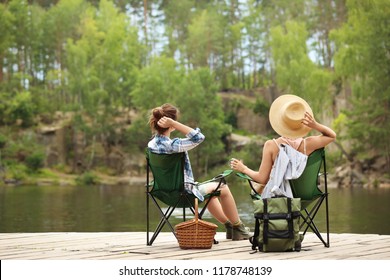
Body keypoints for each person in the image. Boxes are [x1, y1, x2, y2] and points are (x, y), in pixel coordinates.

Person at [148, 103, 250, 240]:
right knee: (223, 188)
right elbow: (199, 137)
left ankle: (229, 226)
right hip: (184, 194)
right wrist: (175, 123)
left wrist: (172, 123)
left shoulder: (151, 145)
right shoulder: (174, 145)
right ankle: (238, 227)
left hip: (163, 193)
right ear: (171, 124)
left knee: (212, 193)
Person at [230, 94, 336, 196]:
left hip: (279, 197)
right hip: (304, 195)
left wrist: (243, 168)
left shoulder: (271, 146)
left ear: (280, 122)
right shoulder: (308, 144)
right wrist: (315, 125)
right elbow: (331, 136)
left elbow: (262, 179)